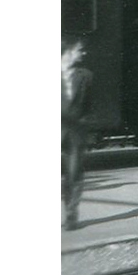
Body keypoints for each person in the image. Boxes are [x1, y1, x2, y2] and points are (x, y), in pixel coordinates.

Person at [62, 37, 93, 230]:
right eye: (80, 50)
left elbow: (88, 106)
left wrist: (83, 126)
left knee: (74, 175)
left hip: (75, 133)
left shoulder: (86, 76)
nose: (84, 53)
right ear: (68, 51)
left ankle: (71, 216)